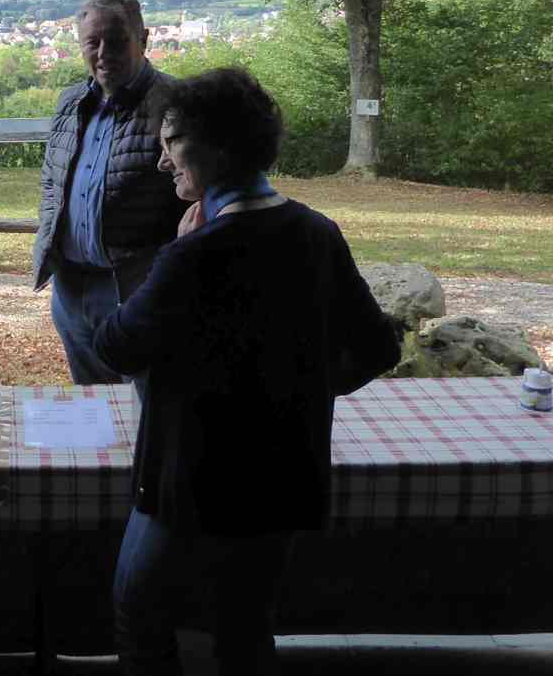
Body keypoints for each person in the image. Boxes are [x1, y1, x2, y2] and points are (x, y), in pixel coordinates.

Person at [92, 67, 402, 676]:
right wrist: (299, 390)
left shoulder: (194, 254)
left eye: (172, 143)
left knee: (139, 609)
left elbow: (114, 347)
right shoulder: (317, 233)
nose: (162, 162)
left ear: (220, 147)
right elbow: (376, 348)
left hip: (189, 485)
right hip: (283, 480)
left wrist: (171, 252)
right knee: (246, 630)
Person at [32, 0, 187, 384]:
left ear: (143, 39)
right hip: (70, 289)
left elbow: (197, 200)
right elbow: (52, 184)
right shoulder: (70, 102)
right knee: (92, 404)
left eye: (117, 41)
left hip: (138, 290)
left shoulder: (176, 104)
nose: (103, 53)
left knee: (147, 399)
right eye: (92, 42)